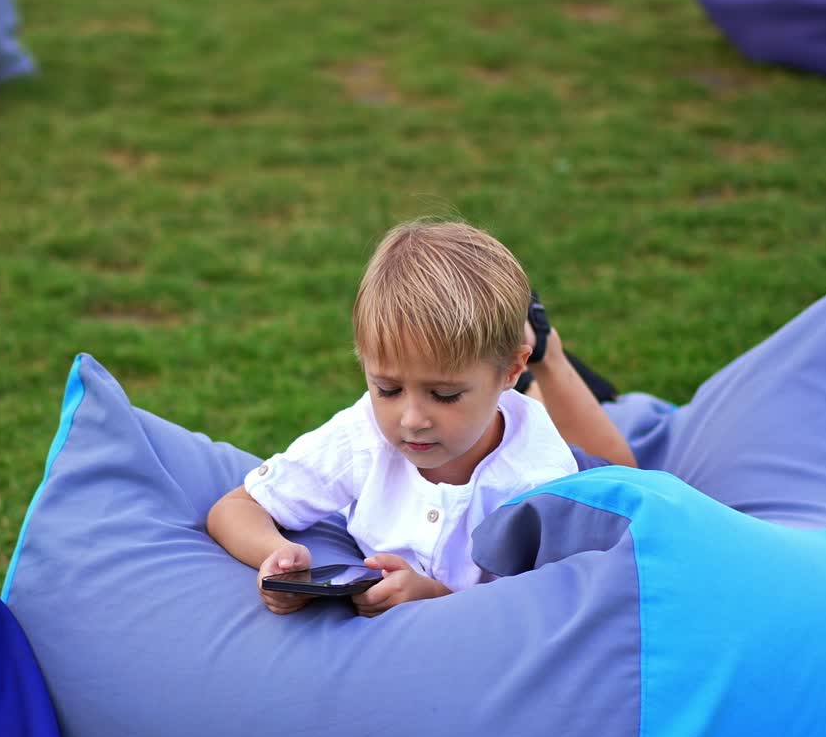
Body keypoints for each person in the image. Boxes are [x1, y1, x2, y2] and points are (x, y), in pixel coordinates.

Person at [206, 219, 636, 617]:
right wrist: (277, 556)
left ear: (509, 370)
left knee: (630, 485)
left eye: (443, 395)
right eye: (388, 389)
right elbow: (236, 508)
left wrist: (435, 596)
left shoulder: (535, 483)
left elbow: (537, 617)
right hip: (491, 396)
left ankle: (545, 351)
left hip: (563, 453)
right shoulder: (363, 435)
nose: (411, 420)